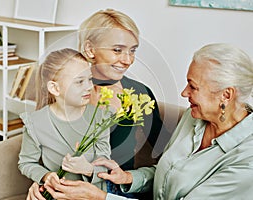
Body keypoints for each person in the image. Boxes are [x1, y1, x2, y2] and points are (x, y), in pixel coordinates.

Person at [43, 43, 253, 199]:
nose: (183, 92)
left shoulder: (247, 160)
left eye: (193, 86)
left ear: (226, 95)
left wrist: (101, 197)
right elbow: (167, 172)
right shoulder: (195, 117)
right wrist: (128, 178)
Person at [27, 8, 166, 199]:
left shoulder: (139, 95)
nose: (127, 60)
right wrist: (40, 180)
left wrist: (130, 179)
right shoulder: (63, 88)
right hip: (63, 189)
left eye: (132, 50)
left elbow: (167, 154)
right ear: (90, 49)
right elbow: (41, 145)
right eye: (117, 50)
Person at [18, 48, 111, 200]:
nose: (88, 86)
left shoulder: (100, 118)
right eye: (79, 81)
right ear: (55, 88)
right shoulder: (35, 123)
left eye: (89, 79)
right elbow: (26, 163)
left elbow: (105, 163)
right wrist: (46, 176)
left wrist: (87, 169)